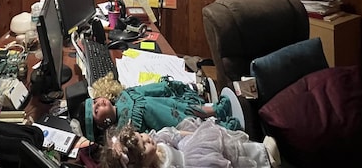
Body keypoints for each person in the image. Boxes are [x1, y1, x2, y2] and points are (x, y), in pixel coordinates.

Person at [77, 75, 241, 143]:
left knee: (187, 107)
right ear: (101, 125)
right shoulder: (124, 129)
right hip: (166, 120)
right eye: (96, 111)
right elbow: (151, 136)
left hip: (168, 104)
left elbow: (146, 90)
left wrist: (166, 86)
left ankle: (215, 109)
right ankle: (220, 125)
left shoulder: (123, 96)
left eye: (96, 101)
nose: (99, 104)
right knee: (189, 120)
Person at [99, 117, 280, 168]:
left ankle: (262, 153)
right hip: (197, 164)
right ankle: (266, 163)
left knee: (233, 151)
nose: (147, 139)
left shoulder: (158, 140)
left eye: (141, 136)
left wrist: (195, 133)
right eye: (143, 146)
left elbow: (175, 135)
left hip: (193, 148)